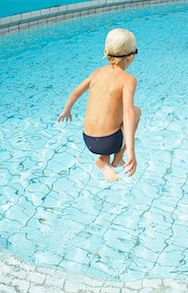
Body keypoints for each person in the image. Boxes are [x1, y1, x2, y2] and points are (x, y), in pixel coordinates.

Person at [57, 28, 141, 181]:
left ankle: (106, 160)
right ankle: (110, 159)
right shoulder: (128, 79)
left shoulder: (97, 73)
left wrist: (66, 111)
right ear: (130, 56)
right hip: (108, 143)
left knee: (114, 110)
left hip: (88, 139)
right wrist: (131, 150)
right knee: (136, 111)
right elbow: (129, 114)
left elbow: (76, 92)